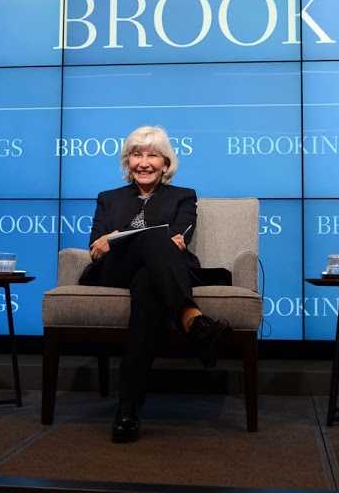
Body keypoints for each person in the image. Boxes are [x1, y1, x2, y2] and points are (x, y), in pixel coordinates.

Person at [79, 125, 233, 443]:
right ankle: (193, 320)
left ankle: (127, 408)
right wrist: (113, 240)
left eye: (153, 155)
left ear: (166, 163)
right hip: (115, 272)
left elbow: (179, 238)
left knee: (148, 281)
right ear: (128, 161)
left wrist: (116, 237)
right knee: (154, 238)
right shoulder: (108, 199)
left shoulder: (183, 196)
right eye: (137, 154)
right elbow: (96, 246)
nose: (144, 162)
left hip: (156, 272)